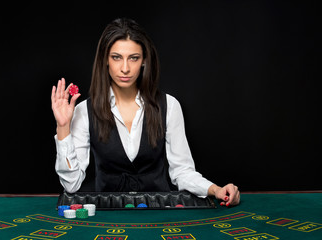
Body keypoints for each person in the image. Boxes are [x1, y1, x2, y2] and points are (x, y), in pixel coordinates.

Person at [51, 18, 240, 207]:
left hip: (159, 214)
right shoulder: (84, 111)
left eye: (133, 58)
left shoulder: (169, 106)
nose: (125, 68)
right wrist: (63, 127)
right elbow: (71, 184)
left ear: (144, 61)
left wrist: (216, 189)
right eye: (116, 57)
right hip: (108, 215)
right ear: (105, 60)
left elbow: (182, 171)